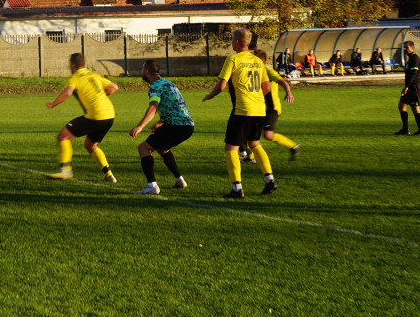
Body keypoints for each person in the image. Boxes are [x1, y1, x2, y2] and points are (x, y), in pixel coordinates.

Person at [202, 29, 276, 199]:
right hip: (259, 109)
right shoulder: (258, 61)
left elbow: (221, 86)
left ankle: (237, 188)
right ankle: (270, 180)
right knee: (255, 143)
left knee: (231, 147)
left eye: (232, 39)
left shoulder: (233, 60)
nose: (231, 42)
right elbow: (267, 88)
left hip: (243, 110)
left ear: (236, 41)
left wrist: (209, 95)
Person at [44, 53, 118, 182]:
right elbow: (113, 87)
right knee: (90, 145)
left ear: (72, 65)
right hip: (110, 115)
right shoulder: (93, 75)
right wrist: (101, 96)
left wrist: (53, 104)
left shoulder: (75, 77)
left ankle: (65, 171)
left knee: (63, 136)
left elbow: (67, 92)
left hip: (96, 116)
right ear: (83, 64)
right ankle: (109, 175)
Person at [128, 60, 190, 195]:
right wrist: (160, 123)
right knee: (162, 148)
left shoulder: (155, 87)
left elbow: (153, 107)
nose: (141, 71)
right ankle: (179, 180)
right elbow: (174, 105)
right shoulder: (167, 83)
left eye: (142, 68)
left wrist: (139, 127)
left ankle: (152, 186)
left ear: (147, 71)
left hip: (176, 126)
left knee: (144, 148)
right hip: (187, 125)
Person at [254, 49, 301, 161]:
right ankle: (251, 157)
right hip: (260, 107)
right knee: (250, 131)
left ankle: (293, 146)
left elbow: (282, 82)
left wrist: (288, 92)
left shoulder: (268, 72)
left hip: (272, 108)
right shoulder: (255, 72)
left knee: (268, 135)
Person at [394, 41, 420, 136]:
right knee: (401, 106)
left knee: (415, 108)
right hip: (409, 86)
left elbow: (414, 74)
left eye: (406, 47)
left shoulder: (415, 58)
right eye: (404, 47)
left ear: (412, 47)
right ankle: (405, 129)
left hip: (414, 87)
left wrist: (407, 86)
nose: (405, 49)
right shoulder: (410, 58)